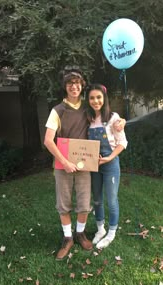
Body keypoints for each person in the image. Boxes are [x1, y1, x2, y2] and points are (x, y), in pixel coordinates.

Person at [44, 68, 125, 260]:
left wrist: (122, 121)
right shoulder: (57, 110)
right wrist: (63, 162)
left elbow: (107, 117)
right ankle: (67, 238)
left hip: (84, 164)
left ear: (82, 87)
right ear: (65, 87)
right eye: (70, 84)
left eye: (77, 83)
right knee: (64, 204)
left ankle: (80, 233)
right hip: (63, 165)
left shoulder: (87, 108)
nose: (74, 87)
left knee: (84, 203)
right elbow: (48, 140)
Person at [86, 83, 128, 249]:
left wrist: (109, 157)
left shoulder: (113, 117)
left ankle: (111, 231)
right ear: (87, 100)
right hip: (94, 165)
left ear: (104, 98)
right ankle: (100, 229)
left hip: (110, 165)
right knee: (96, 199)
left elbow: (123, 142)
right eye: (92, 98)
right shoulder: (87, 118)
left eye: (98, 97)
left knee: (111, 200)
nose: (95, 101)